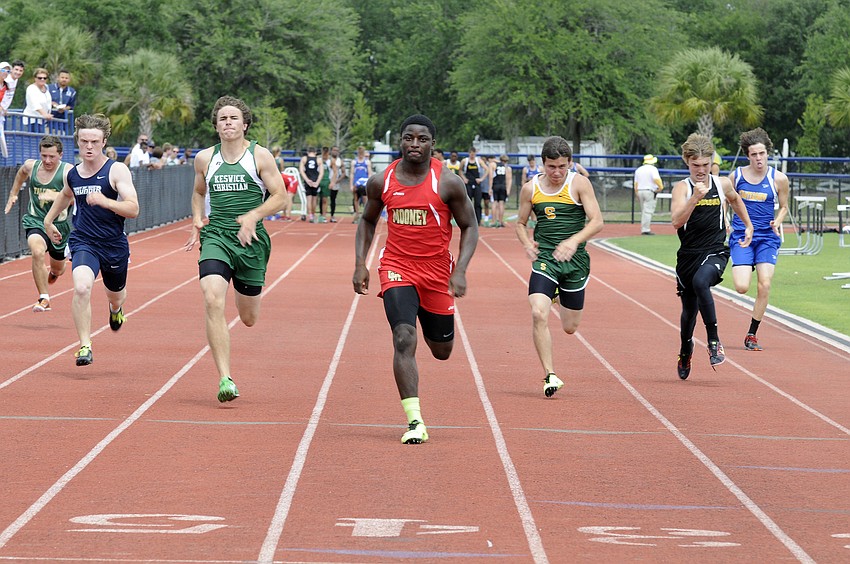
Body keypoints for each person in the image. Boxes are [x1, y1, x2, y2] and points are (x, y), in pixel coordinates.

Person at [353, 114, 478, 444]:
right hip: (397, 267)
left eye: (422, 139)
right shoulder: (383, 181)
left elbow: (470, 226)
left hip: (437, 274)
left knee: (441, 350)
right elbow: (367, 222)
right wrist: (360, 264)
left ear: (432, 144)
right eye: (409, 138)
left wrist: (461, 269)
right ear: (401, 142)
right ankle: (415, 421)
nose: (414, 144)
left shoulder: (448, 183)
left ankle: (425, 311)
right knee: (404, 338)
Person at [184, 95, 287, 402]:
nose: (228, 122)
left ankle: (249, 294)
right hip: (217, 235)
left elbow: (280, 197)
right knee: (212, 298)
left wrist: (254, 216)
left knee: (248, 318)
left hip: (251, 242)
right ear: (216, 126)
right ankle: (225, 378)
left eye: (233, 118)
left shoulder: (260, 156)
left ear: (244, 124)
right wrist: (197, 220)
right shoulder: (204, 158)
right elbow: (198, 192)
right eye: (222, 118)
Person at [43, 114, 140, 366]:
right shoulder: (72, 174)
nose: (88, 146)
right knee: (82, 286)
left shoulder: (116, 170)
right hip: (84, 240)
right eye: (84, 141)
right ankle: (85, 345)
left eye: (94, 142)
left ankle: (116, 311)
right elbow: (65, 195)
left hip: (113, 243)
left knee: (115, 294)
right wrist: (48, 220)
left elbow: (133, 208)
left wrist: (105, 201)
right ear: (77, 141)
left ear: (104, 141)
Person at [515, 136, 603, 397]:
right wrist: (527, 243)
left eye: (562, 166)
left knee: (570, 327)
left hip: (575, 262)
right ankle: (550, 374)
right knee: (538, 314)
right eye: (551, 166)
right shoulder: (530, 189)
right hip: (546, 261)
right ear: (543, 164)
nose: (556, 172)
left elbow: (597, 221)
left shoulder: (579, 184)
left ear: (570, 164)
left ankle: (557, 296)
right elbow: (520, 223)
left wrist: (574, 241)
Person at [671, 133, 752, 380]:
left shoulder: (722, 184)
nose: (701, 170)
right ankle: (686, 349)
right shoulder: (682, 188)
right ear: (687, 162)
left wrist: (748, 225)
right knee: (688, 313)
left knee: (701, 281)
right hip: (688, 255)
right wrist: (696, 197)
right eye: (696, 165)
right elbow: (676, 221)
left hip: (715, 250)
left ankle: (714, 341)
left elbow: (735, 200)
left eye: (706, 165)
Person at [729, 128, 789, 351]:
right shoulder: (736, 176)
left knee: (764, 284)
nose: (759, 158)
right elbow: (726, 201)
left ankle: (752, 334)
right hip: (742, 236)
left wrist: (778, 221)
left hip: (767, 238)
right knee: (742, 287)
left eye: (762, 153)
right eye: (754, 154)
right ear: (747, 155)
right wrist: (726, 222)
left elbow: (784, 207)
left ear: (767, 153)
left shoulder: (779, 179)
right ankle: (747, 262)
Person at [4, 135, 73, 312]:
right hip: (36, 221)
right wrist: (13, 193)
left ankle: (54, 273)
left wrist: (56, 196)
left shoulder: (67, 172)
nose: (47, 160)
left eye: (52, 156)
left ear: (61, 155)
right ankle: (44, 297)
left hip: (59, 226)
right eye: (44, 156)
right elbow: (21, 174)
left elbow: (75, 199)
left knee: (59, 269)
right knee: (36, 251)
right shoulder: (31, 165)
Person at [633, 154, 664, 235]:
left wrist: (636, 193)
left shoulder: (638, 170)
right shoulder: (653, 169)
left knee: (643, 210)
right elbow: (656, 179)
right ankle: (645, 229)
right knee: (648, 211)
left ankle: (644, 227)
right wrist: (660, 187)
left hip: (640, 190)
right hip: (649, 191)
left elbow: (636, 183)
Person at [460, 147, 486, 225]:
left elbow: (487, 169)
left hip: (477, 183)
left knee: (478, 203)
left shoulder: (479, 161)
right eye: (471, 153)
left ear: (475, 153)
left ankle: (478, 220)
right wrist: (464, 178)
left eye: (473, 153)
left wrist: (481, 179)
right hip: (468, 183)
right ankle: (468, 220)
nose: (472, 155)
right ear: (469, 153)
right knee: (468, 202)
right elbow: (460, 170)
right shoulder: (465, 161)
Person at [23, 68, 53, 132]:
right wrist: (44, 114)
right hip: (32, 120)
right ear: (35, 78)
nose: (42, 79)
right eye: (40, 78)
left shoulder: (46, 88)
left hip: (41, 121)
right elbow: (34, 103)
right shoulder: (31, 89)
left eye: (44, 78)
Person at [298, 146, 322, 222]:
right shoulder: (319, 160)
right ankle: (313, 214)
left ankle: (310, 215)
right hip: (315, 180)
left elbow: (301, 171)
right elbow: (321, 172)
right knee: (314, 199)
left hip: (308, 180)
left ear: (308, 152)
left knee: (309, 199)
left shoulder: (304, 159)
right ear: (315, 152)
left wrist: (307, 180)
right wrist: (317, 182)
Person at [349, 145, 371, 223]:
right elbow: (351, 173)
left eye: (362, 153)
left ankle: (365, 215)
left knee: (365, 199)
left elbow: (369, 174)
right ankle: (357, 215)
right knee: (356, 199)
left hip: (364, 183)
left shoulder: (367, 162)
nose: (361, 154)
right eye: (360, 153)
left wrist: (369, 184)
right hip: (356, 183)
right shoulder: (354, 162)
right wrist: (351, 185)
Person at [490, 154, 512, 228]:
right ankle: (500, 221)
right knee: (501, 204)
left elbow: (491, 177)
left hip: (495, 185)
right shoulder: (507, 168)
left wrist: (490, 188)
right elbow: (509, 179)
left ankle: (493, 221)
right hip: (503, 186)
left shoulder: (494, 165)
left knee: (494, 203)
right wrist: (508, 189)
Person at [328, 145, 344, 222]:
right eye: (334, 150)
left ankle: (332, 215)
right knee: (323, 198)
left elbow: (344, 173)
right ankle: (322, 214)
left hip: (335, 182)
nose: (335, 152)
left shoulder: (340, 161)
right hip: (326, 180)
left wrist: (338, 180)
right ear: (331, 151)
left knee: (333, 199)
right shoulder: (327, 159)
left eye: (337, 150)